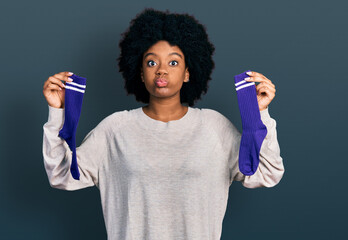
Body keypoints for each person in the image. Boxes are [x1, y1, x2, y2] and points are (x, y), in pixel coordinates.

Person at [42, 8, 284, 240]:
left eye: (173, 62)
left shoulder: (214, 128)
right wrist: (57, 111)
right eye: (151, 63)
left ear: (188, 73)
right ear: (139, 73)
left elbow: (268, 173)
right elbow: (62, 175)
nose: (161, 71)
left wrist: (260, 113)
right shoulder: (114, 130)